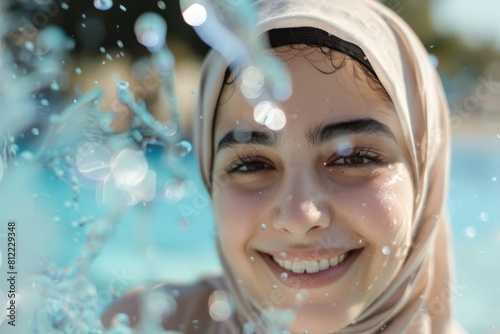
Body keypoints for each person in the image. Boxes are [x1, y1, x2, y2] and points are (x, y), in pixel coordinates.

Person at [103, 0, 466, 332]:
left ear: (425, 173)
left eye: (353, 158)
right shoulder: (141, 323)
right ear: (209, 175)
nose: (298, 217)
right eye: (252, 164)